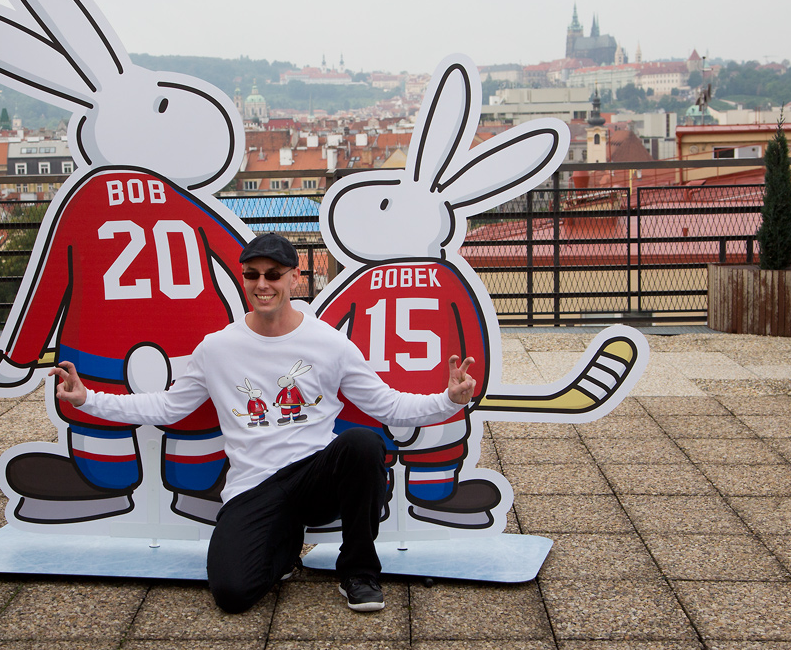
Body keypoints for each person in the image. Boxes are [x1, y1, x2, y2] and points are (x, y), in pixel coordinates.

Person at [52, 232, 474, 613]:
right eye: (252, 274)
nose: (262, 284)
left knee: (362, 443)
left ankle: (359, 571)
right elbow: (167, 408)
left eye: (274, 274)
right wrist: (88, 399)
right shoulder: (218, 348)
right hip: (254, 486)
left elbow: (388, 406)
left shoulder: (328, 342)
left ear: (295, 278)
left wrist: (447, 400)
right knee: (232, 594)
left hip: (314, 475)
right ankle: (284, 543)